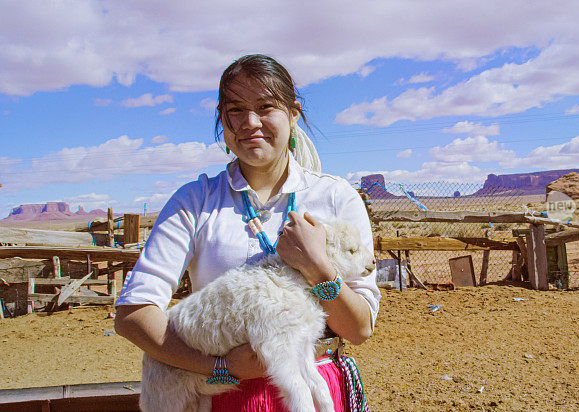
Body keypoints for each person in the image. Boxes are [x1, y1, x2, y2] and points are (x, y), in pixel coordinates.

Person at [114, 54, 380, 411]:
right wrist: (221, 368)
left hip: (314, 388)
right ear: (223, 120)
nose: (250, 122)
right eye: (235, 110)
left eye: (266, 106)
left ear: (293, 114)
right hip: (227, 397)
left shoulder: (334, 197)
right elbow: (133, 314)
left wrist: (317, 266)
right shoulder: (196, 201)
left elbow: (359, 329)